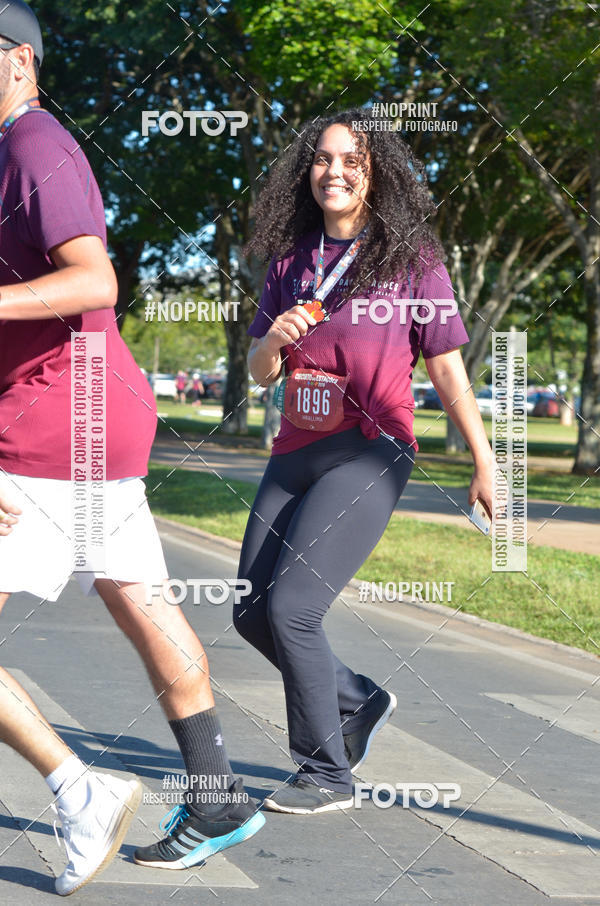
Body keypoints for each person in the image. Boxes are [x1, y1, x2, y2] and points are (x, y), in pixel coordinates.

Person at [0, 2, 263, 895]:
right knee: (143, 603)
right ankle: (219, 790)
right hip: (95, 417)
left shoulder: (32, 146)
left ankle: (80, 789)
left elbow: (93, 277)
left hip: (48, 423)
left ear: (21, 63)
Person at [234, 107, 494, 814]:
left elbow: (446, 370)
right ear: (307, 170)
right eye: (322, 158)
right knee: (250, 612)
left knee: (293, 609)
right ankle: (356, 699)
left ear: (376, 172)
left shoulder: (413, 257)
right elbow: (260, 371)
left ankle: (326, 774)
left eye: (351, 159)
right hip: (295, 450)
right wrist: (276, 338)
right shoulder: (291, 260)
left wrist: (486, 461)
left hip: (371, 452)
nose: (335, 170)